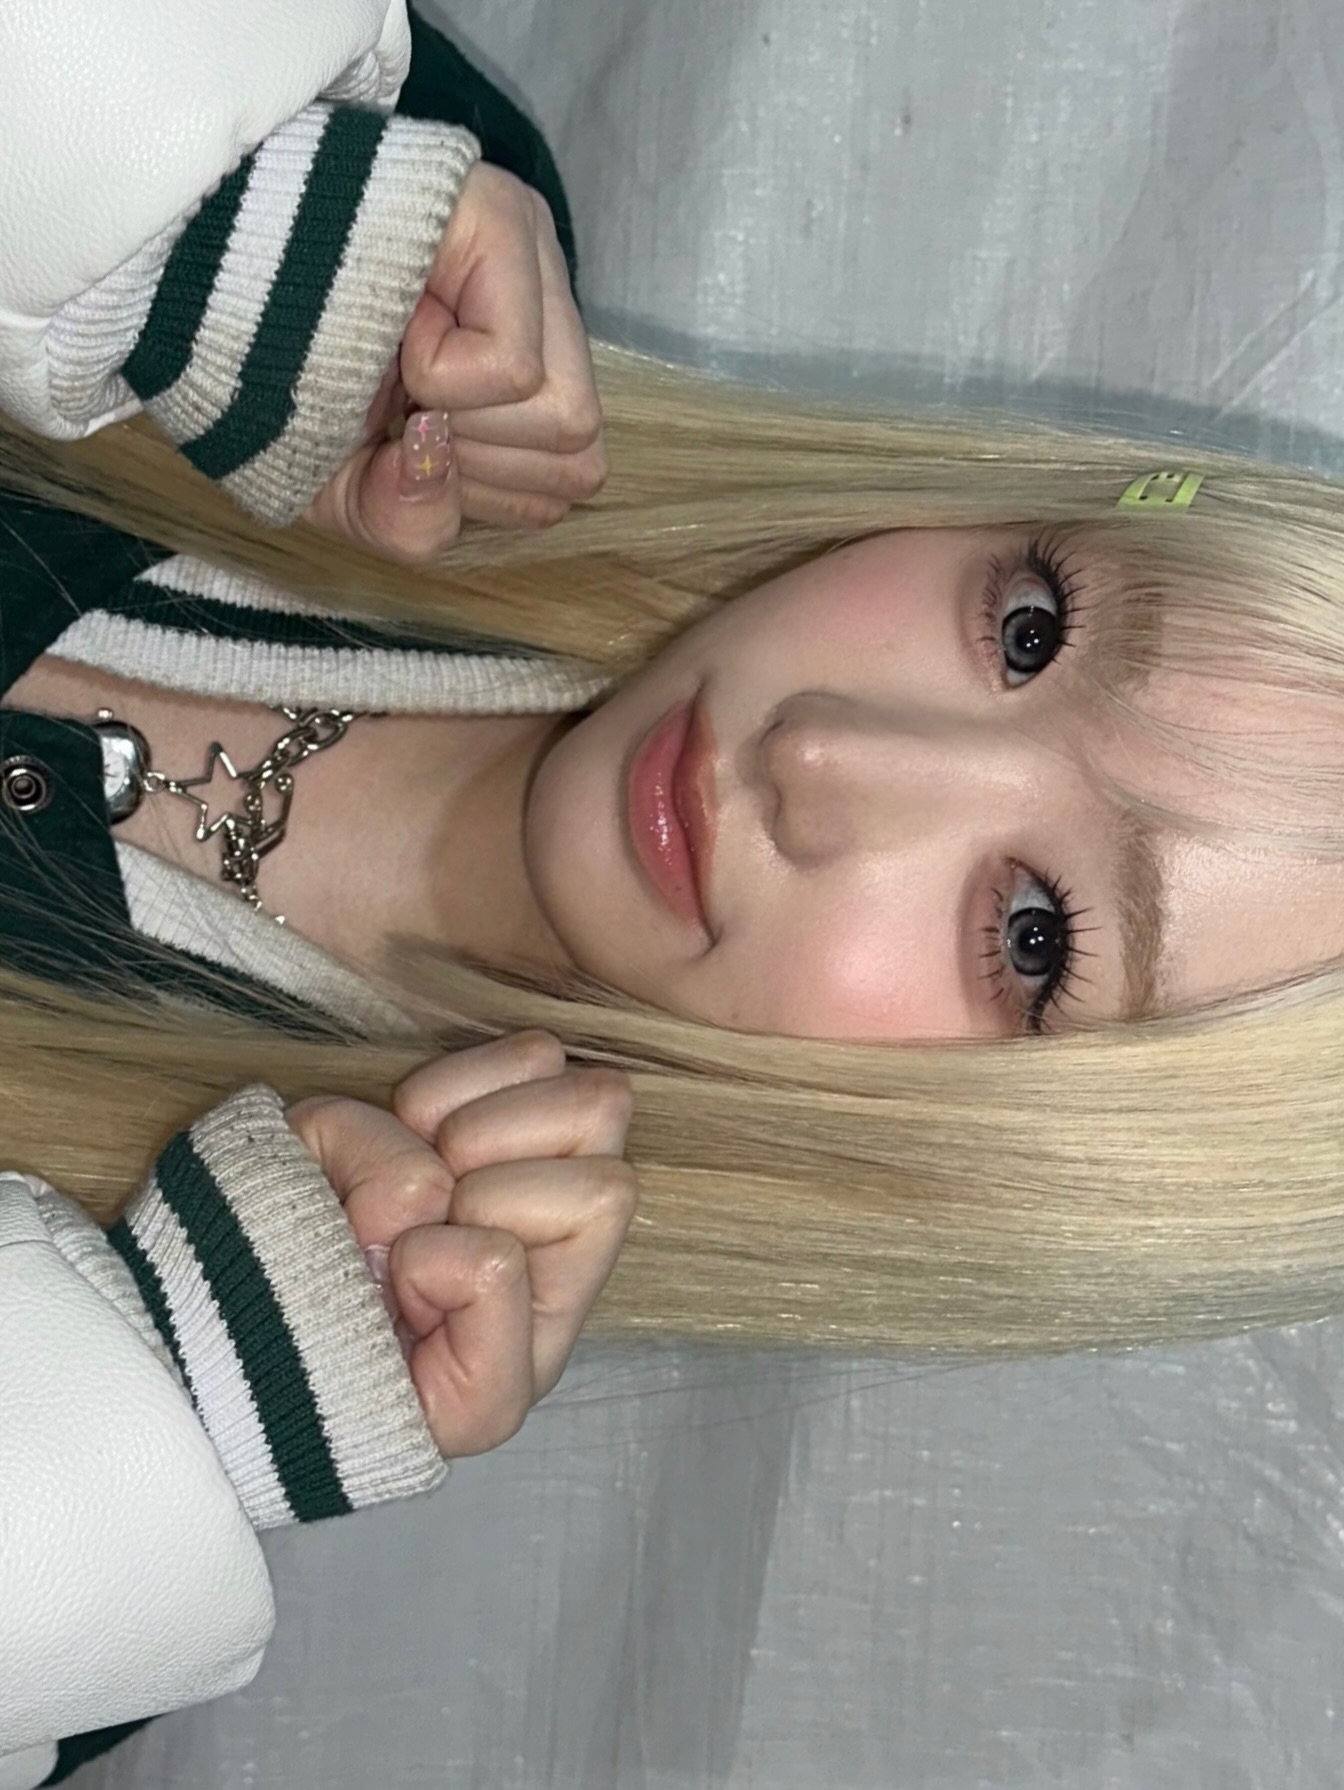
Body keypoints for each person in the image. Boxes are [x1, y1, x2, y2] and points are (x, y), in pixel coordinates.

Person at [6, 1, 1344, 1785]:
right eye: (1033, 629)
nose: (828, 757)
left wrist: (122, 1412)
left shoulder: (205, 1379)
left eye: (1036, 938)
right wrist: (130, 203)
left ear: (988, 1169)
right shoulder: (401, 206)